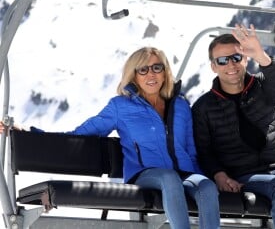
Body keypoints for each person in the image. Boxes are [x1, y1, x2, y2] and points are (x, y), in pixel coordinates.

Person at [0, 46, 220, 229]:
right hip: (146, 175)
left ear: (165, 72)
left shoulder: (181, 105)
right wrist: (28, 133)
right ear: (134, 75)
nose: (151, 74)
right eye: (143, 70)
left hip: (183, 173)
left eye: (157, 67)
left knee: (207, 187)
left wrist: (199, 177)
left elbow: (190, 149)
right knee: (169, 178)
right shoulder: (120, 107)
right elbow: (80, 134)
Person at [191, 24, 275, 229]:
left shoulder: (262, 87)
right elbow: (203, 151)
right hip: (242, 175)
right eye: (222, 61)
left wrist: (261, 55)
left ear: (245, 58)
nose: (230, 65)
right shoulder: (204, 107)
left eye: (236, 57)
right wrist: (219, 174)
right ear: (213, 66)